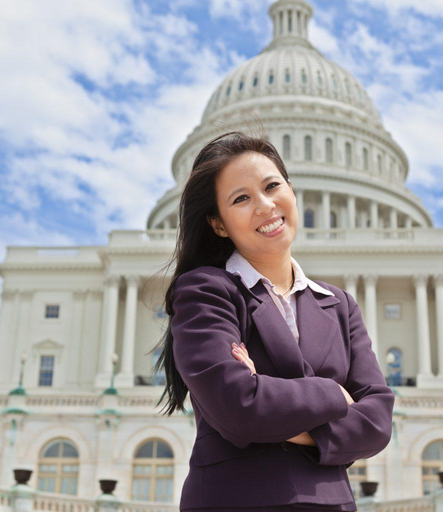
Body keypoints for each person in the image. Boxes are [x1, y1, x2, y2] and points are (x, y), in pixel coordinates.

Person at [152, 131, 394, 511]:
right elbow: (238, 407)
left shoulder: (339, 304)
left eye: (272, 186)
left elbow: (378, 423)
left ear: (292, 191)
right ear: (218, 223)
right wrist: (334, 395)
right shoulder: (204, 290)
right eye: (241, 198)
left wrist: (266, 398)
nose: (265, 205)